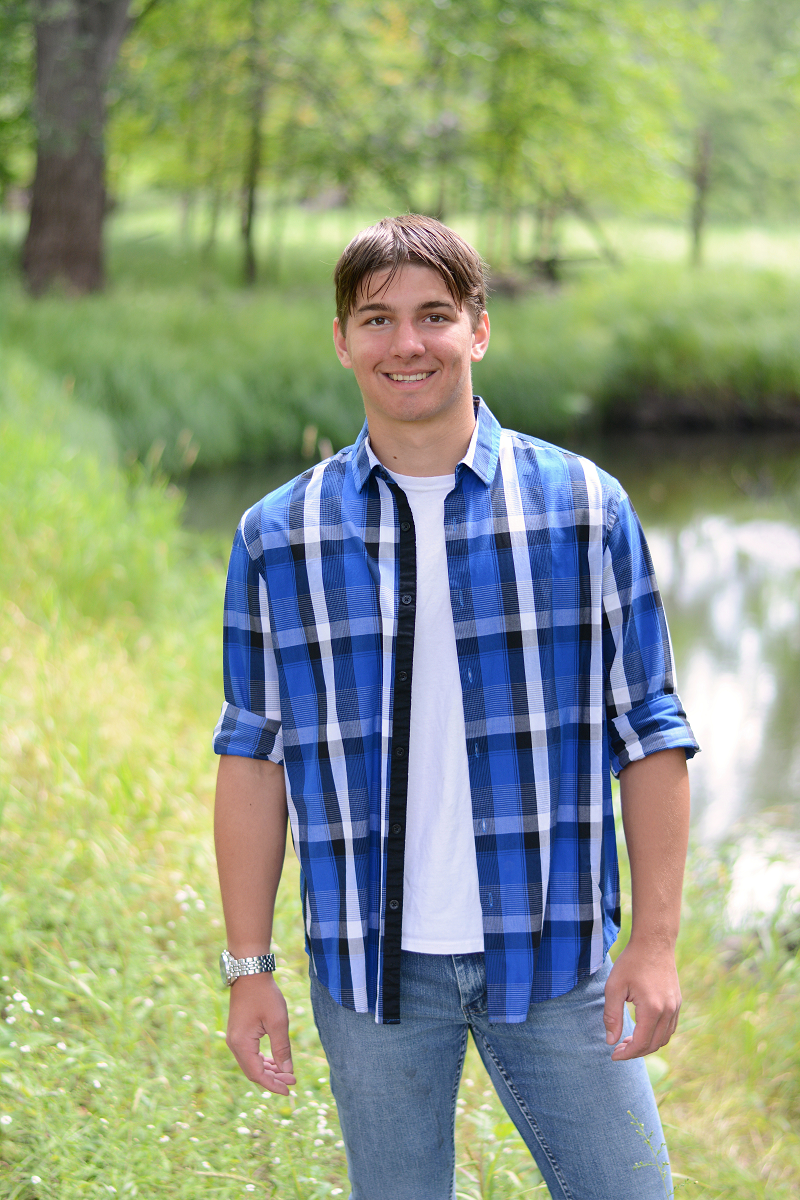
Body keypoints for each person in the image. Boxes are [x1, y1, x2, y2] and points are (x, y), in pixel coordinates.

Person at [213, 214, 699, 1200]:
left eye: (434, 314)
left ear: (477, 328)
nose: (407, 344)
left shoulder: (582, 505)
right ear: (341, 338)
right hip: (371, 974)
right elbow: (251, 757)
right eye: (376, 318)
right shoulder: (279, 534)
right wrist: (247, 966)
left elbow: (647, 734)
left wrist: (650, 945)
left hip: (556, 957)